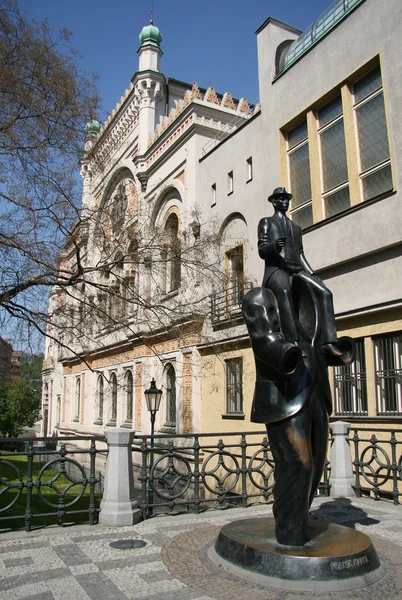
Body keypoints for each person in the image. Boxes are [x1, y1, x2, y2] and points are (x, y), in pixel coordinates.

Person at [258, 187, 341, 358]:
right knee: (285, 291)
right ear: (273, 202)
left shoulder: (296, 228)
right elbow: (261, 250)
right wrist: (274, 247)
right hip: (277, 269)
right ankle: (293, 343)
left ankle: (329, 343)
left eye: (286, 199)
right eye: (280, 198)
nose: (285, 202)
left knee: (325, 293)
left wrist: (312, 274)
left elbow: (301, 254)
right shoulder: (267, 222)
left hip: (296, 269)